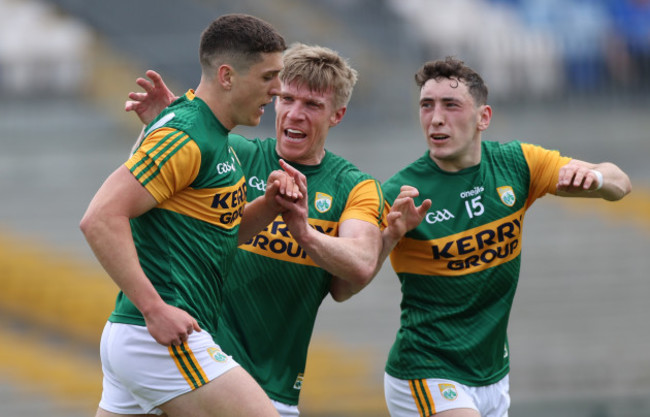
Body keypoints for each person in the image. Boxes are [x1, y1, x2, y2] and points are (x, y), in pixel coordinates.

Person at [124, 43, 386, 417]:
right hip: (191, 367)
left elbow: (360, 262)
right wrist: (161, 125)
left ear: (337, 115)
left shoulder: (354, 187)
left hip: (271, 390)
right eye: (287, 99)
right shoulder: (232, 154)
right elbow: (139, 187)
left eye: (312, 105)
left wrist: (305, 232)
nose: (295, 114)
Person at [378, 56, 632, 417]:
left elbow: (620, 182)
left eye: (451, 105)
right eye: (426, 105)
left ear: (484, 117)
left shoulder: (517, 164)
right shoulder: (400, 193)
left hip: (492, 374)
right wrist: (388, 237)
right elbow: (349, 279)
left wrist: (596, 180)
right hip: (426, 369)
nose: (436, 118)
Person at [80, 14, 300, 417]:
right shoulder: (188, 134)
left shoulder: (211, 135)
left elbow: (221, 233)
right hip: (159, 336)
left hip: (141, 335)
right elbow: (99, 218)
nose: (278, 90)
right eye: (269, 77)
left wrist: (271, 206)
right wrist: (154, 309)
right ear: (228, 76)